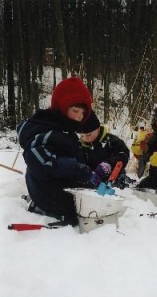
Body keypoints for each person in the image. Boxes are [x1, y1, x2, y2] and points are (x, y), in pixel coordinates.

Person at [17, 77, 101, 226]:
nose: (79, 116)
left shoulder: (66, 130)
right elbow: (39, 159)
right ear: (63, 106)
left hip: (63, 189)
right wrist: (74, 168)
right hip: (46, 193)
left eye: (83, 113)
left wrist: (88, 172)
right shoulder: (46, 128)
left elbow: (74, 157)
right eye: (75, 111)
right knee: (75, 211)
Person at [77, 112, 130, 188]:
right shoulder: (80, 146)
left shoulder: (111, 141)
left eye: (89, 135)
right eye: (82, 136)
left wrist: (109, 164)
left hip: (113, 178)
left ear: (98, 129)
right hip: (92, 181)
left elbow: (124, 154)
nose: (86, 138)